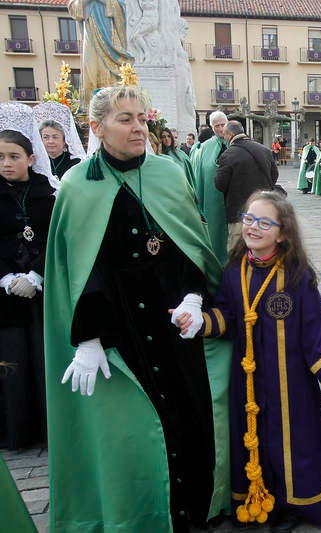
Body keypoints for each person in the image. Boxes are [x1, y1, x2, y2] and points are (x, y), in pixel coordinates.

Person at [44, 85, 231, 532]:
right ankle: (142, 513)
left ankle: (194, 510)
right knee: (135, 428)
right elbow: (80, 269)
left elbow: (192, 244)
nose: (137, 127)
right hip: (118, 328)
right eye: (125, 119)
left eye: (142, 118)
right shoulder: (76, 185)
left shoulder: (167, 173)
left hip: (176, 325)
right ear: (97, 127)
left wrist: (193, 294)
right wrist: (88, 338)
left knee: (190, 415)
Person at [175, 191, 321, 532]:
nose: (253, 227)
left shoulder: (298, 277)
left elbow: (314, 333)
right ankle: (256, 498)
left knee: (289, 442)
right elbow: (227, 315)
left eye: (264, 222)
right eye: (248, 219)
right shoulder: (233, 271)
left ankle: (292, 505)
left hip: (291, 384)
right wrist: (200, 322)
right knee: (252, 439)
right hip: (248, 382)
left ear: (283, 232)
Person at [0, 130, 56, 451]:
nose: (6, 163)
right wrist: (6, 278)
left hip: (39, 292)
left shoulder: (46, 196)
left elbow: (54, 240)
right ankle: (16, 431)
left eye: (14, 156)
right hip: (5, 296)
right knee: (12, 361)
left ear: (30, 160)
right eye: (1, 157)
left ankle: (48, 428)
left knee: (41, 358)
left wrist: (36, 274)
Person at [215, 120, 278, 252]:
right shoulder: (264, 150)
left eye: (225, 135)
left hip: (238, 214)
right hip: (262, 214)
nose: (224, 138)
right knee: (261, 252)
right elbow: (274, 176)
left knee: (237, 254)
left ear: (230, 134)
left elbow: (220, 185)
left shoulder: (228, 154)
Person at [67, 0, 133, 105]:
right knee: (91, 68)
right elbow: (73, 8)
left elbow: (125, 7)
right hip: (90, 33)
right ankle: (91, 107)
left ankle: (116, 106)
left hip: (111, 34)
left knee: (110, 74)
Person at [192, 110, 229, 264]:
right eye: (216, 126)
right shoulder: (204, 148)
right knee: (215, 236)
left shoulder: (237, 143)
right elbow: (198, 177)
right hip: (212, 203)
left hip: (234, 201)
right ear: (211, 127)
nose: (220, 129)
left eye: (223, 125)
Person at [34, 102, 86, 179]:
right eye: (46, 137)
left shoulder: (76, 163)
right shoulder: (38, 163)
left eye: (55, 137)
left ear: (64, 140)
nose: (50, 141)